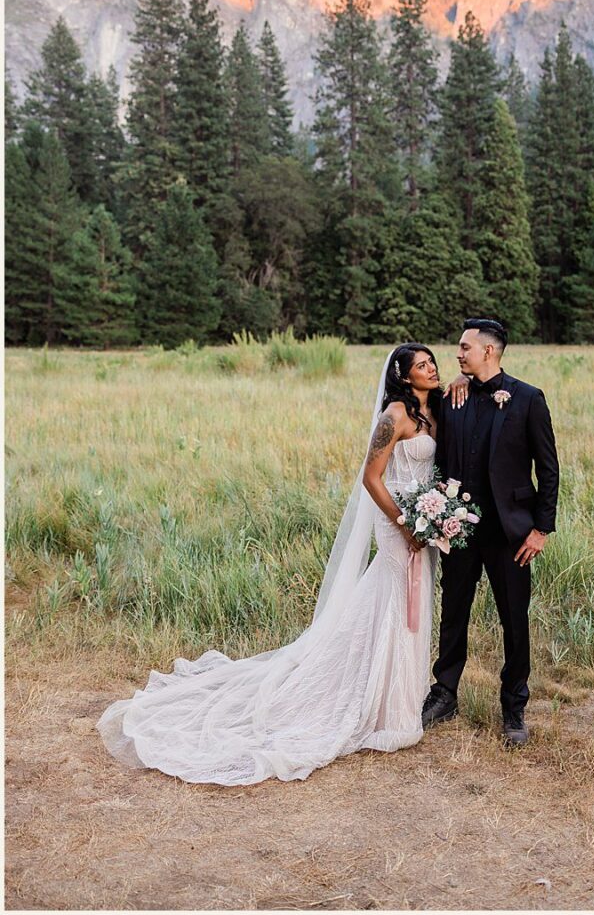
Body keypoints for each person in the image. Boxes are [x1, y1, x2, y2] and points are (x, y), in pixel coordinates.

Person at [98, 344, 444, 785]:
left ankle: (398, 699)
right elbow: (371, 477)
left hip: (424, 520)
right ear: (403, 375)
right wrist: (402, 521)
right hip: (395, 520)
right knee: (394, 593)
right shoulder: (393, 415)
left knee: (410, 597)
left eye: (432, 363)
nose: (431, 369)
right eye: (422, 365)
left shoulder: (431, 414)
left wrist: (432, 516)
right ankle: (376, 704)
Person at [422, 318, 560, 745]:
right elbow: (441, 460)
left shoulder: (528, 399)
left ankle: (514, 707)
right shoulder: (452, 398)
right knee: (453, 614)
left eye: (464, 347)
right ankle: (445, 694)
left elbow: (549, 470)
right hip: (459, 527)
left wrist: (540, 530)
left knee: (514, 621)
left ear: (489, 351)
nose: (457, 354)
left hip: (511, 532)